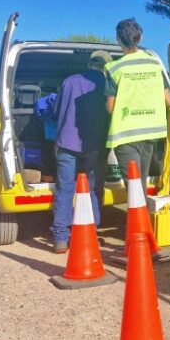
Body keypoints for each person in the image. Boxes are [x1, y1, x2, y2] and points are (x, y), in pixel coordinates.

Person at [49, 50, 113, 253]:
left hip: (67, 144)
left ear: (89, 64)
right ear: (106, 67)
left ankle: (60, 239)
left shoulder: (69, 81)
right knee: (93, 190)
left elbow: (56, 111)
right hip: (95, 146)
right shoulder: (107, 85)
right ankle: (90, 234)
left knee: (65, 189)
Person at [105, 18, 170, 188]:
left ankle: (140, 214)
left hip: (126, 136)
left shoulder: (115, 68)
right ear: (140, 38)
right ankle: (143, 214)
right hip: (150, 134)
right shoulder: (155, 65)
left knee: (135, 187)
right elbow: (169, 101)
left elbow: (110, 107)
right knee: (140, 184)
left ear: (118, 40)